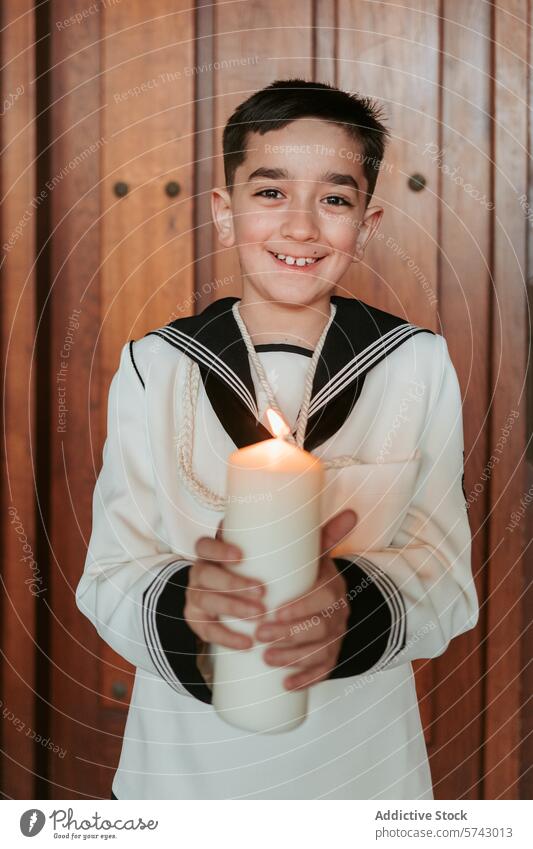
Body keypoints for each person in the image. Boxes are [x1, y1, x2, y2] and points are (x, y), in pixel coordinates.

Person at [76, 78, 479, 800]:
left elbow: (447, 583)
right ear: (223, 215)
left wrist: (347, 606)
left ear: (367, 221)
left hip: (360, 775)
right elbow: (109, 575)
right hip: (180, 774)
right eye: (269, 193)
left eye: (334, 198)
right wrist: (187, 602)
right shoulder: (154, 366)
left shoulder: (415, 364)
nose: (300, 227)